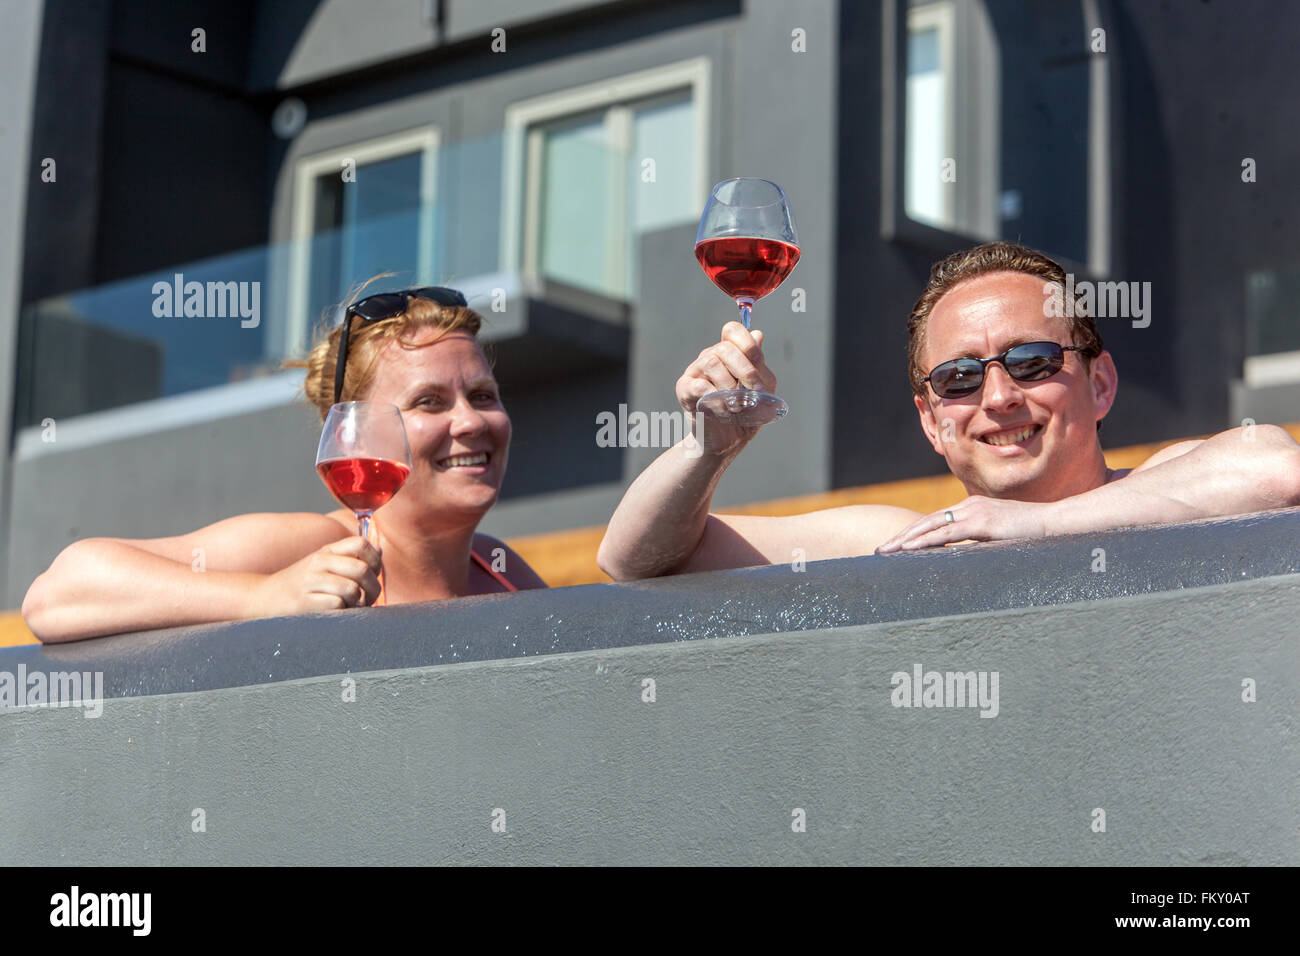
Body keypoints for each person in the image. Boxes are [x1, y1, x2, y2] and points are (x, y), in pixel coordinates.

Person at [598, 241, 1300, 580]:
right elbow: (634, 559)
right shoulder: (912, 538)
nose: (998, 397)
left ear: (1101, 384)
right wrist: (706, 449)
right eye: (960, 378)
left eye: (1032, 362)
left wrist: (1037, 525)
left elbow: (1275, 468)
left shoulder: (1157, 489)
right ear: (932, 420)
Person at [23, 283, 545, 643]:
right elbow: (59, 591)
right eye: (429, 402)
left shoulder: (498, 570)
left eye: (483, 396)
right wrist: (267, 595)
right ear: (356, 431)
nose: (472, 421)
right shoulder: (315, 547)